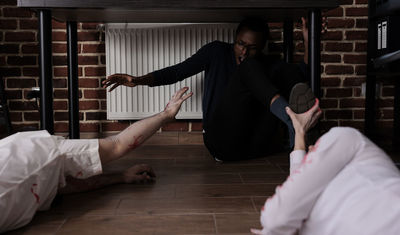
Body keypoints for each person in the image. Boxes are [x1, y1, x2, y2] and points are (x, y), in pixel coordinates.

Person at [103, 18, 314, 161]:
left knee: (279, 71)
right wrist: (138, 80)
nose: (243, 51)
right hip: (221, 141)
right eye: (241, 44)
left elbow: (301, 80)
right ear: (235, 39)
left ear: (262, 47)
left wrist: (308, 40)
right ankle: (295, 125)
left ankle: (296, 131)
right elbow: (177, 72)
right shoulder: (217, 52)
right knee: (250, 67)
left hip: (254, 146)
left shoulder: (264, 63)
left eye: (252, 48)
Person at [0, 87, 193, 233]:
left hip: (34, 151)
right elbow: (61, 186)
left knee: (114, 146)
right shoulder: (43, 176)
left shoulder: (46, 158)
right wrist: (121, 176)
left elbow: (118, 144)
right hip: (24, 155)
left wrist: (166, 115)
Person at [251, 87, 400, 235]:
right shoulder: (352, 142)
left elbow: (277, 216)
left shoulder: (348, 139)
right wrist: (300, 133)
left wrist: (300, 135)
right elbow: (297, 185)